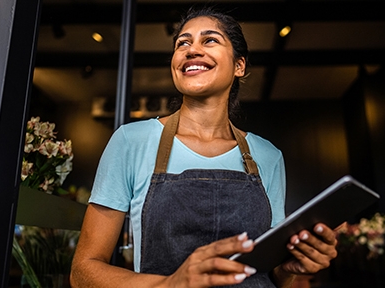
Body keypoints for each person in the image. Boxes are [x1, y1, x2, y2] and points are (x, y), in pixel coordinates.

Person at [70, 6, 338, 288]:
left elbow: (270, 277)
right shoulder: (131, 141)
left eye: (209, 40)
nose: (191, 49)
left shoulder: (267, 156)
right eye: (182, 43)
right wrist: (170, 284)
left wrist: (289, 268)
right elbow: (83, 272)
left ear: (239, 65)